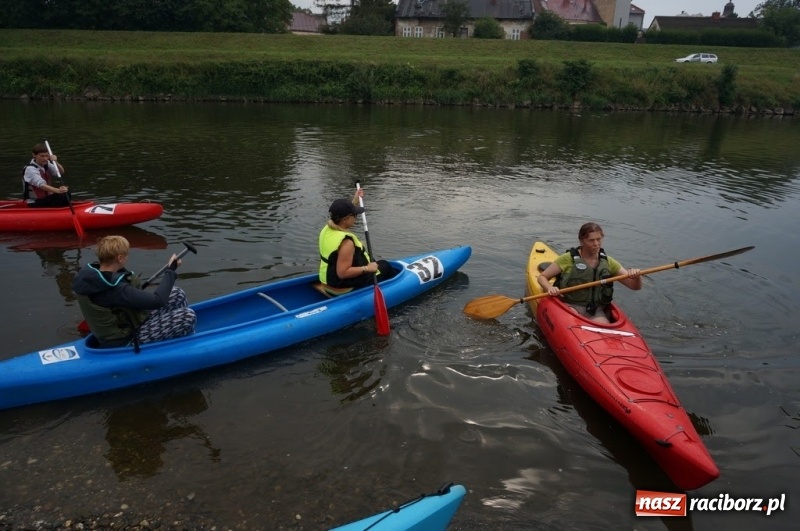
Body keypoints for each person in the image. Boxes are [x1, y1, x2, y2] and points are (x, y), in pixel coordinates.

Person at [73, 235, 196, 348]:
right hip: (125, 339)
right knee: (187, 316)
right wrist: (171, 270)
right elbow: (158, 301)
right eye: (126, 255)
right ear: (120, 258)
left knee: (176, 294)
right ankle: (182, 347)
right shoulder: (114, 289)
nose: (127, 257)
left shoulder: (94, 277)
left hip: (128, 323)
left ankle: (177, 334)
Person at [537, 222, 642, 324]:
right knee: (571, 324)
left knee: (604, 328)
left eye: (599, 239)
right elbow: (542, 277)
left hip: (595, 311)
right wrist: (549, 288)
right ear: (582, 241)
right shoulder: (567, 259)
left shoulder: (608, 262)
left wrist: (637, 277)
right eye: (591, 240)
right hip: (569, 306)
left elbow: (634, 286)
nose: (596, 244)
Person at [318, 189, 398, 294]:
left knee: (373, 260)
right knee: (385, 265)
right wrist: (367, 268)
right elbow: (342, 273)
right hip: (340, 285)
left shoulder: (328, 228)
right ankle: (396, 288)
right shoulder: (347, 243)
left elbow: (342, 212)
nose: (356, 218)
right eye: (354, 215)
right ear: (345, 219)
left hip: (327, 279)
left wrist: (355, 201)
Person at [22, 143, 71, 208]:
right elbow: (42, 185)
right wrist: (58, 190)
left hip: (46, 198)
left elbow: (60, 172)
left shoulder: (47, 163)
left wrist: (55, 162)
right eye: (42, 156)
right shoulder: (30, 169)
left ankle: (61, 211)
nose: (45, 159)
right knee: (63, 195)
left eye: (47, 156)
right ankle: (57, 213)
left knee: (67, 194)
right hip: (35, 202)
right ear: (34, 155)